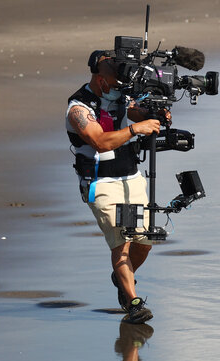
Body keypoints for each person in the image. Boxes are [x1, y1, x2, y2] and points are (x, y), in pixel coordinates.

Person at [66, 50, 162, 323]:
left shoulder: (120, 95)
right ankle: (133, 302)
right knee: (121, 242)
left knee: (144, 243)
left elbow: (135, 111)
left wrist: (155, 115)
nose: (119, 85)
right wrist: (136, 129)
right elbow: (100, 142)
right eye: (114, 79)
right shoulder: (78, 108)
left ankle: (121, 277)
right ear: (99, 77)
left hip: (132, 178)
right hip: (101, 183)